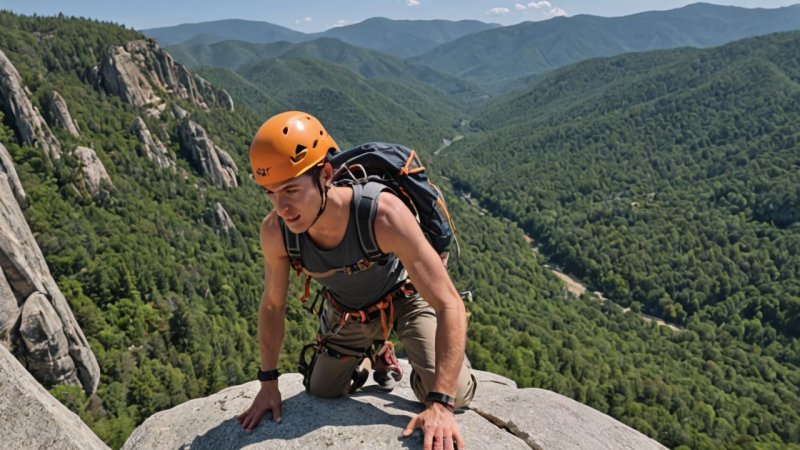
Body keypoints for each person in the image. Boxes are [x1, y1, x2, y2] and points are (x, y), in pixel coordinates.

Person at [237, 111, 476, 449]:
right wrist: (268, 383)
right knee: (322, 389)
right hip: (348, 311)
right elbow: (273, 305)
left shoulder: (382, 215)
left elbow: (449, 302)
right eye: (270, 193)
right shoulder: (276, 232)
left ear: (326, 175)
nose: (282, 208)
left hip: (405, 298)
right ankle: (374, 352)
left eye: (291, 190)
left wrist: (440, 403)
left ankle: (418, 363)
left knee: (456, 392)